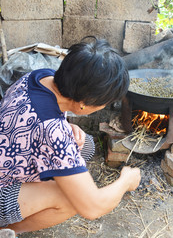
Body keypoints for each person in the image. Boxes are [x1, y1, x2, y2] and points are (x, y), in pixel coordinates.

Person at [0, 37, 141, 235]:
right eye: (103, 103)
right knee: (70, 200)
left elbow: (41, 123)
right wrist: (126, 180)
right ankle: (8, 230)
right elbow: (93, 207)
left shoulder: (40, 77)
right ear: (84, 103)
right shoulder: (52, 132)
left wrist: (66, 127)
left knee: (86, 146)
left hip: (10, 155)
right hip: (3, 187)